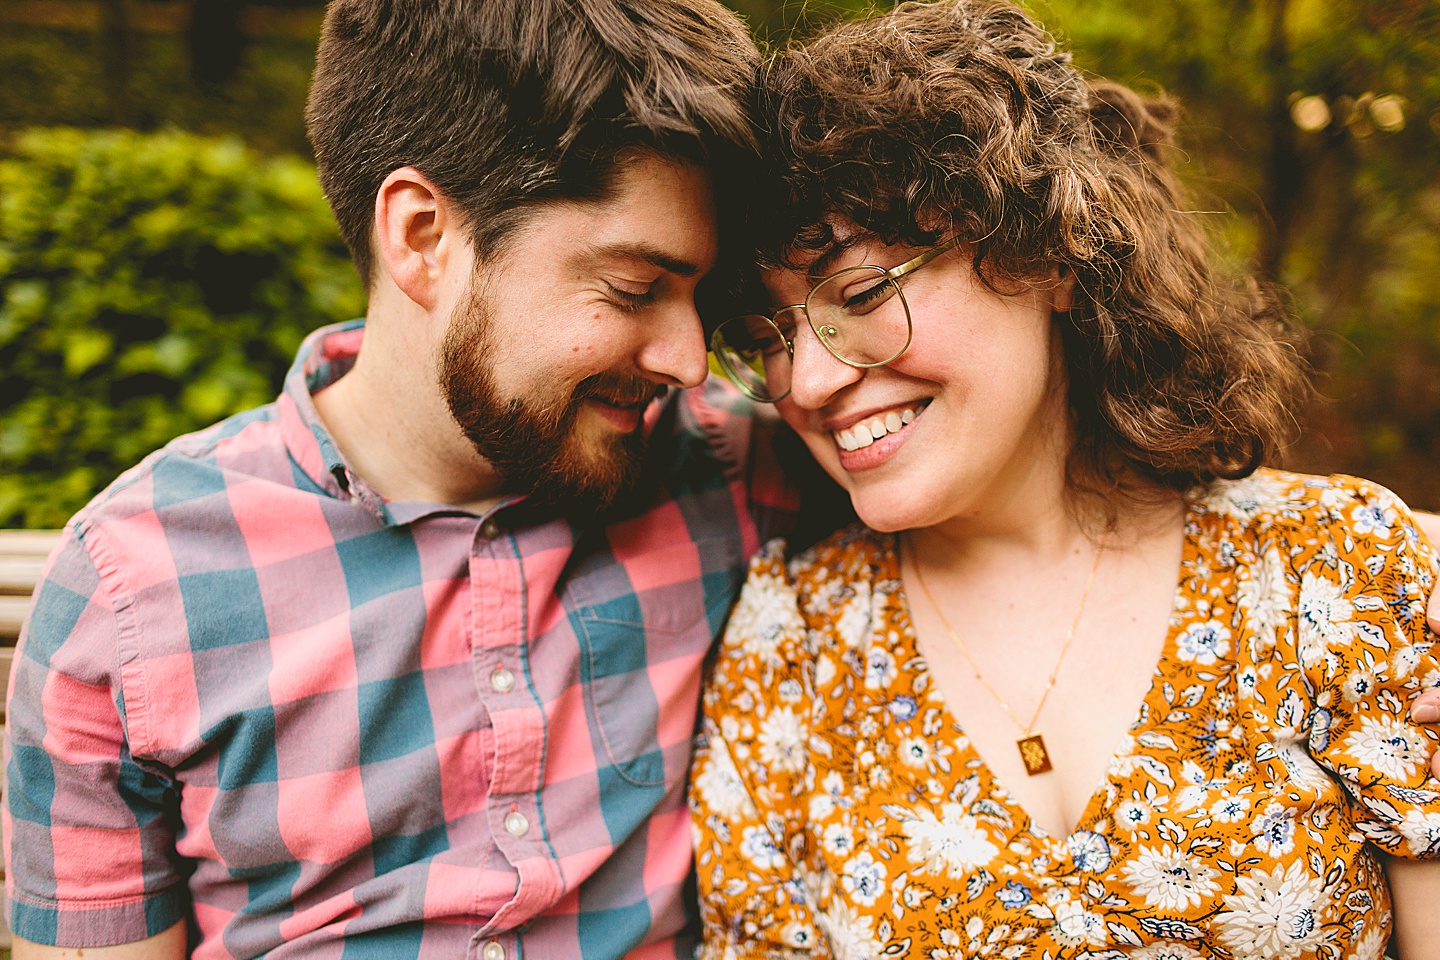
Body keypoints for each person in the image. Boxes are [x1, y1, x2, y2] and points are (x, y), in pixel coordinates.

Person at [2, 1, 785, 957]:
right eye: (633, 289)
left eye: (700, 296)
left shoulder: (733, 471)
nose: (688, 359)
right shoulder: (129, 595)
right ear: (421, 236)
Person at [689, 2, 1440, 958]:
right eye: (769, 338)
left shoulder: (1331, 573)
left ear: (1045, 255)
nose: (811, 380)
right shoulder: (790, 643)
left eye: (864, 293)